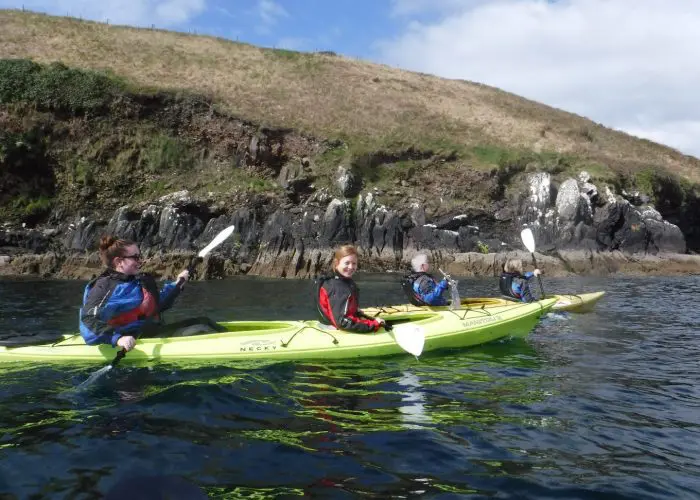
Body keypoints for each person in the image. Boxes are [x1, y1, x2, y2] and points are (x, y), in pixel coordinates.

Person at [79, 235, 190, 351]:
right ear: (119, 261)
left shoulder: (138, 280)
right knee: (199, 328)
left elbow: (155, 305)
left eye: (139, 256)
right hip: (127, 341)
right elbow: (88, 320)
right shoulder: (103, 287)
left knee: (202, 323)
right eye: (135, 257)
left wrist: (177, 285)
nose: (140, 261)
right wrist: (118, 339)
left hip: (150, 332)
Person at [315, 245, 385, 333]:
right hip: (334, 329)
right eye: (347, 263)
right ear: (336, 263)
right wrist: (373, 324)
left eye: (354, 263)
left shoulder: (340, 280)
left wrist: (356, 311)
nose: (351, 267)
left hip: (327, 323)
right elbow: (342, 322)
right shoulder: (337, 287)